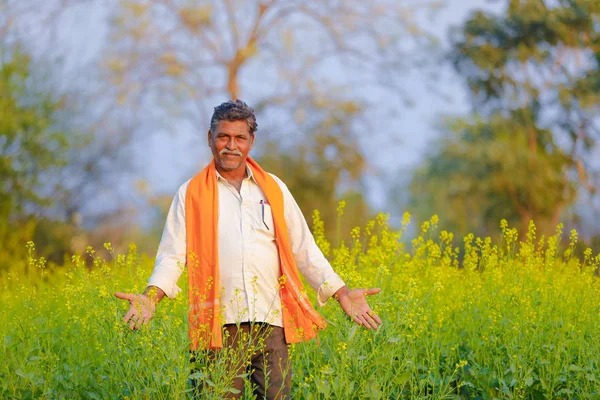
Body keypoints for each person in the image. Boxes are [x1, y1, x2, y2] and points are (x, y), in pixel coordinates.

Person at [115, 100, 382, 399]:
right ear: (210, 138)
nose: (231, 145)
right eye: (223, 137)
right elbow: (172, 257)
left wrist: (342, 294)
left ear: (251, 141)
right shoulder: (190, 193)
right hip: (218, 329)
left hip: (272, 327)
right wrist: (150, 299)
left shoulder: (274, 189)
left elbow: (304, 249)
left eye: (240, 138)